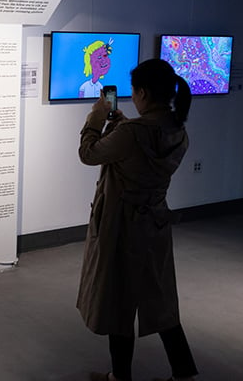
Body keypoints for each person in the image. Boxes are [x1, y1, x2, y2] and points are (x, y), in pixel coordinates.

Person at [77, 58, 199, 381]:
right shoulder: (177, 131)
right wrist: (126, 125)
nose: (131, 95)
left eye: (133, 91)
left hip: (122, 228)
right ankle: (184, 372)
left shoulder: (132, 133)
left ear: (143, 92)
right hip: (155, 226)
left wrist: (96, 117)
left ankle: (120, 376)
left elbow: (88, 153)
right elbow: (143, 145)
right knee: (160, 302)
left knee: (118, 304)